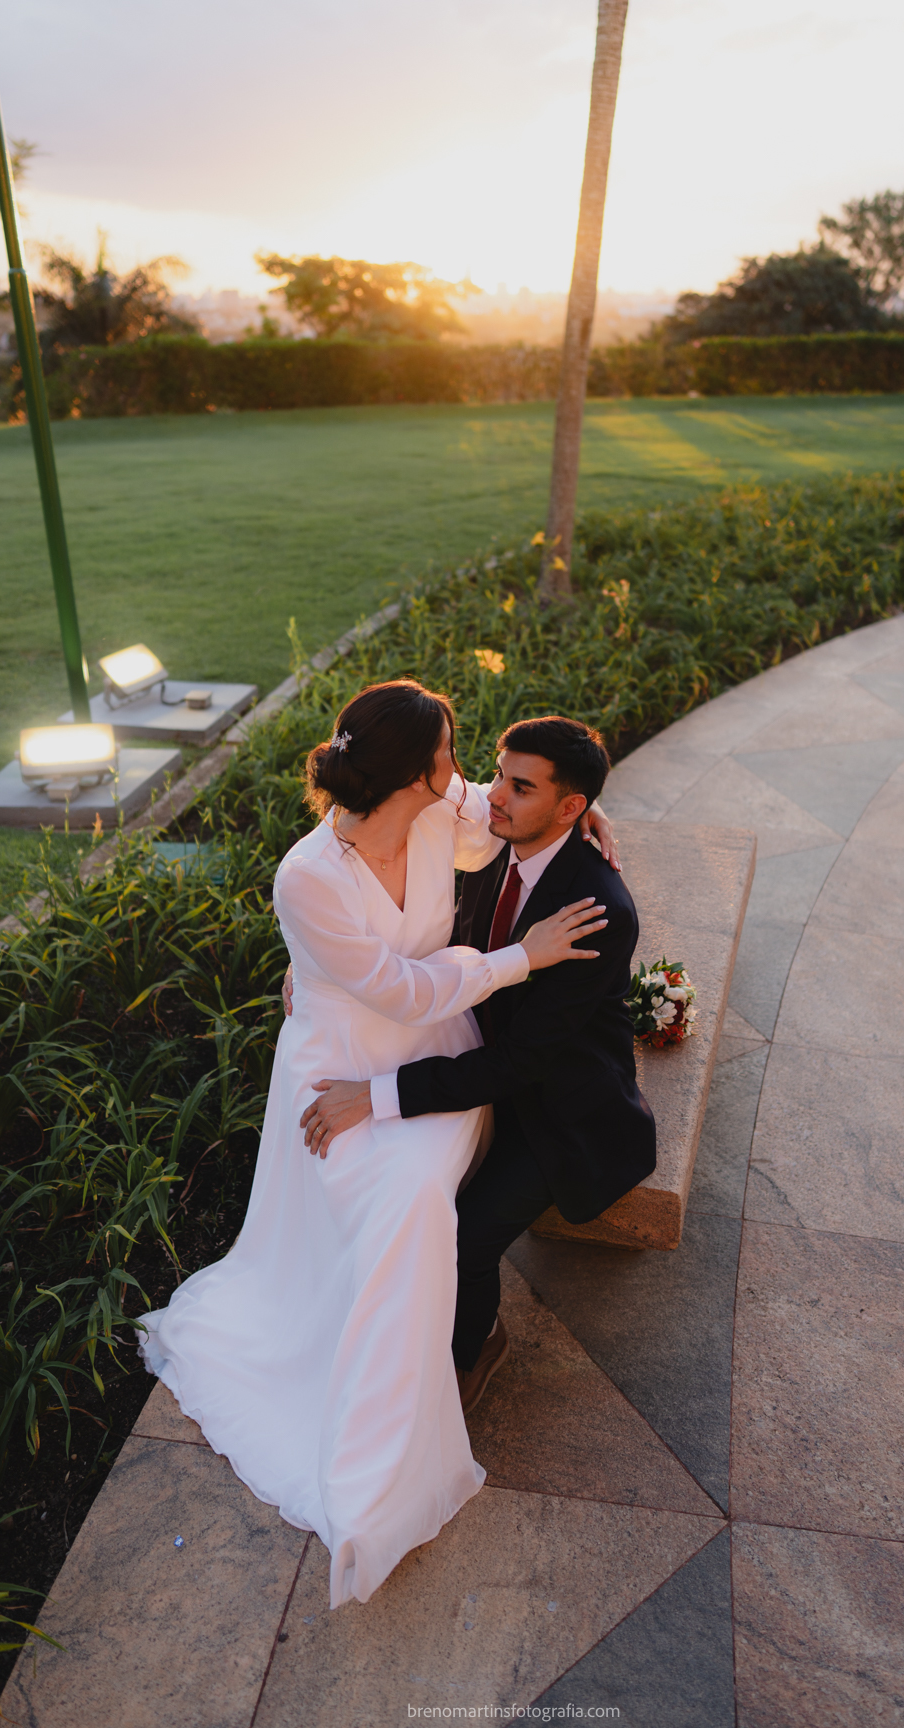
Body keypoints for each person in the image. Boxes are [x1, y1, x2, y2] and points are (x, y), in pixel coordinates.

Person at [138, 680, 613, 1610]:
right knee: (374, 1199)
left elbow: (512, 815)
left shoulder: (443, 811)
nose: (464, 774)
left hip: (435, 1060)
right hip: (340, 1070)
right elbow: (398, 990)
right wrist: (523, 956)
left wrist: (584, 814)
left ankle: (404, 1414)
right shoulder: (307, 877)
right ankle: (357, 1406)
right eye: (449, 756)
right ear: (413, 773)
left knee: (412, 1201)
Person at [299, 715, 656, 1416]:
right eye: (496, 774)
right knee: (384, 1190)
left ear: (570, 808)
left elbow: (520, 1063)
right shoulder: (495, 843)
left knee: (462, 1232)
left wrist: (376, 1094)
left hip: (555, 1107)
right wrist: (311, 959)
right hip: (470, 1053)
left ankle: (475, 1348)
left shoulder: (597, 911)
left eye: (520, 787)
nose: (492, 795)